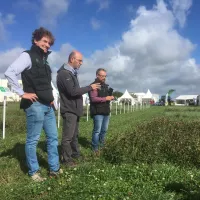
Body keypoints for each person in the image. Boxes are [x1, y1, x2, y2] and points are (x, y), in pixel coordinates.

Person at [4, 27, 62, 182]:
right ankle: (34, 172)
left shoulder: (44, 61)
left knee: (53, 138)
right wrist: (22, 93)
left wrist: (51, 98)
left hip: (48, 105)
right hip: (35, 105)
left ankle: (54, 168)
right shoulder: (27, 56)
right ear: (36, 40)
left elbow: (46, 83)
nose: (47, 45)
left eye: (49, 43)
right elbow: (10, 72)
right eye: (44, 41)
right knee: (33, 140)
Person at [56, 50, 101, 166]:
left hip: (74, 109)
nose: (81, 63)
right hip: (69, 109)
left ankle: (75, 154)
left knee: (74, 135)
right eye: (79, 60)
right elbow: (73, 91)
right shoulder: (64, 74)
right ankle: (66, 160)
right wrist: (89, 87)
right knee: (68, 137)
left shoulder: (72, 73)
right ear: (72, 59)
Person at [88, 68, 114, 155]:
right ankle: (95, 148)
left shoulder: (105, 86)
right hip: (97, 111)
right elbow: (93, 99)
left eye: (105, 76)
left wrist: (110, 97)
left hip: (106, 111)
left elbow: (106, 98)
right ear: (97, 75)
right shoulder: (93, 86)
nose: (104, 78)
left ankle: (102, 145)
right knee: (97, 131)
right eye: (102, 76)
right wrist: (105, 98)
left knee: (104, 130)